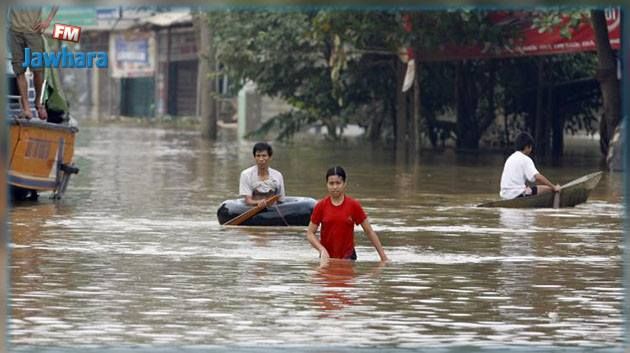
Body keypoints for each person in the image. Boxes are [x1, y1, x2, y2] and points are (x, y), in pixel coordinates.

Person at [306, 166, 388, 263]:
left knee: (346, 277)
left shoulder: (353, 205)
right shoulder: (321, 206)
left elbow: (369, 231)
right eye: (331, 183)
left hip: (348, 257)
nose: (335, 187)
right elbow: (310, 234)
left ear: (344, 184)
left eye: (338, 183)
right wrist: (321, 249)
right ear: (326, 184)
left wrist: (383, 258)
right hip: (326, 258)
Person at [9, 6, 58, 120]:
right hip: (14, 32)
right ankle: (26, 108)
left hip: (34, 31)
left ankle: (38, 102)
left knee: (38, 70)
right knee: (19, 71)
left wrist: (48, 21)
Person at [499, 132, 561, 200]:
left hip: (504, 195)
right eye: (531, 147)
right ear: (527, 147)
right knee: (547, 189)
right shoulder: (526, 159)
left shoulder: (510, 158)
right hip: (517, 194)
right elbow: (538, 177)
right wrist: (553, 187)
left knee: (531, 189)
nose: (531, 150)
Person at [239, 142, 285, 207]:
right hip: (253, 210)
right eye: (258, 156)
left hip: (273, 210)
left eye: (264, 156)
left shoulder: (278, 175)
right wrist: (259, 202)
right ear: (254, 157)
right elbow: (248, 200)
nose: (261, 159)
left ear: (270, 157)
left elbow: (280, 199)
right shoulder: (246, 174)